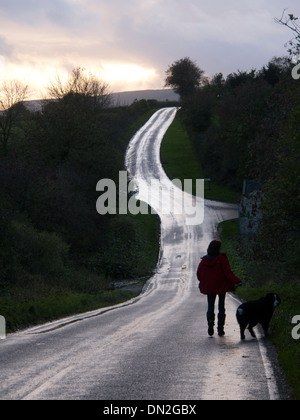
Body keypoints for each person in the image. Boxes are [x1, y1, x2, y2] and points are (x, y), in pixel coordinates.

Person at [197, 240, 242, 337]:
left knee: (210, 306)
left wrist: (204, 282)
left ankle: (210, 323)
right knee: (221, 306)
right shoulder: (221, 259)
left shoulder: (204, 261)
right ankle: (220, 328)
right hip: (221, 286)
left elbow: (199, 274)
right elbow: (228, 273)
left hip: (210, 287)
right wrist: (238, 281)